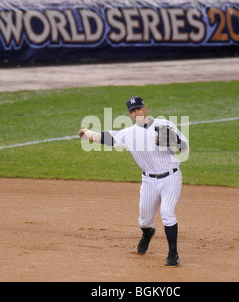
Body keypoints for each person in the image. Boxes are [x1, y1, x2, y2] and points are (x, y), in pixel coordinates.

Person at [78, 96, 189, 266]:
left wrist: (176, 142)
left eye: (139, 108)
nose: (136, 112)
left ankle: (173, 255)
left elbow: (185, 147)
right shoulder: (129, 133)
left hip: (171, 177)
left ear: (145, 108)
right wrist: (88, 134)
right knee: (145, 220)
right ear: (130, 114)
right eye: (132, 111)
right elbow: (108, 137)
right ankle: (147, 233)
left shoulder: (164, 125)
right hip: (149, 181)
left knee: (167, 213)